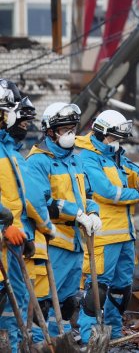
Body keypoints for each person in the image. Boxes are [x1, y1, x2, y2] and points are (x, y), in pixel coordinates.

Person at [75, 109, 139, 343]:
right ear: (102, 134)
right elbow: (107, 192)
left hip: (125, 235)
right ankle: (90, 335)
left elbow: (134, 171)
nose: (117, 143)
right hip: (103, 235)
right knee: (97, 290)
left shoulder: (115, 154)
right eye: (114, 138)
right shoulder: (87, 157)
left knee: (122, 290)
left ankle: (114, 333)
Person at [25, 103, 102, 340]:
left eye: (72, 128)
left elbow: (86, 194)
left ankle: (65, 336)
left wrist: (94, 212)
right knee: (47, 300)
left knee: (69, 302)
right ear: (49, 131)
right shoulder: (37, 161)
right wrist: (76, 213)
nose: (70, 134)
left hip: (76, 242)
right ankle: (42, 340)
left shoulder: (75, 160)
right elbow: (41, 203)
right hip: (53, 242)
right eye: (64, 129)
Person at [0, 82, 52, 353]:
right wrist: (4, 227)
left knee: (15, 301)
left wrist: (23, 236)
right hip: (4, 238)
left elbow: (17, 201)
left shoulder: (8, 151)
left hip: (11, 244)